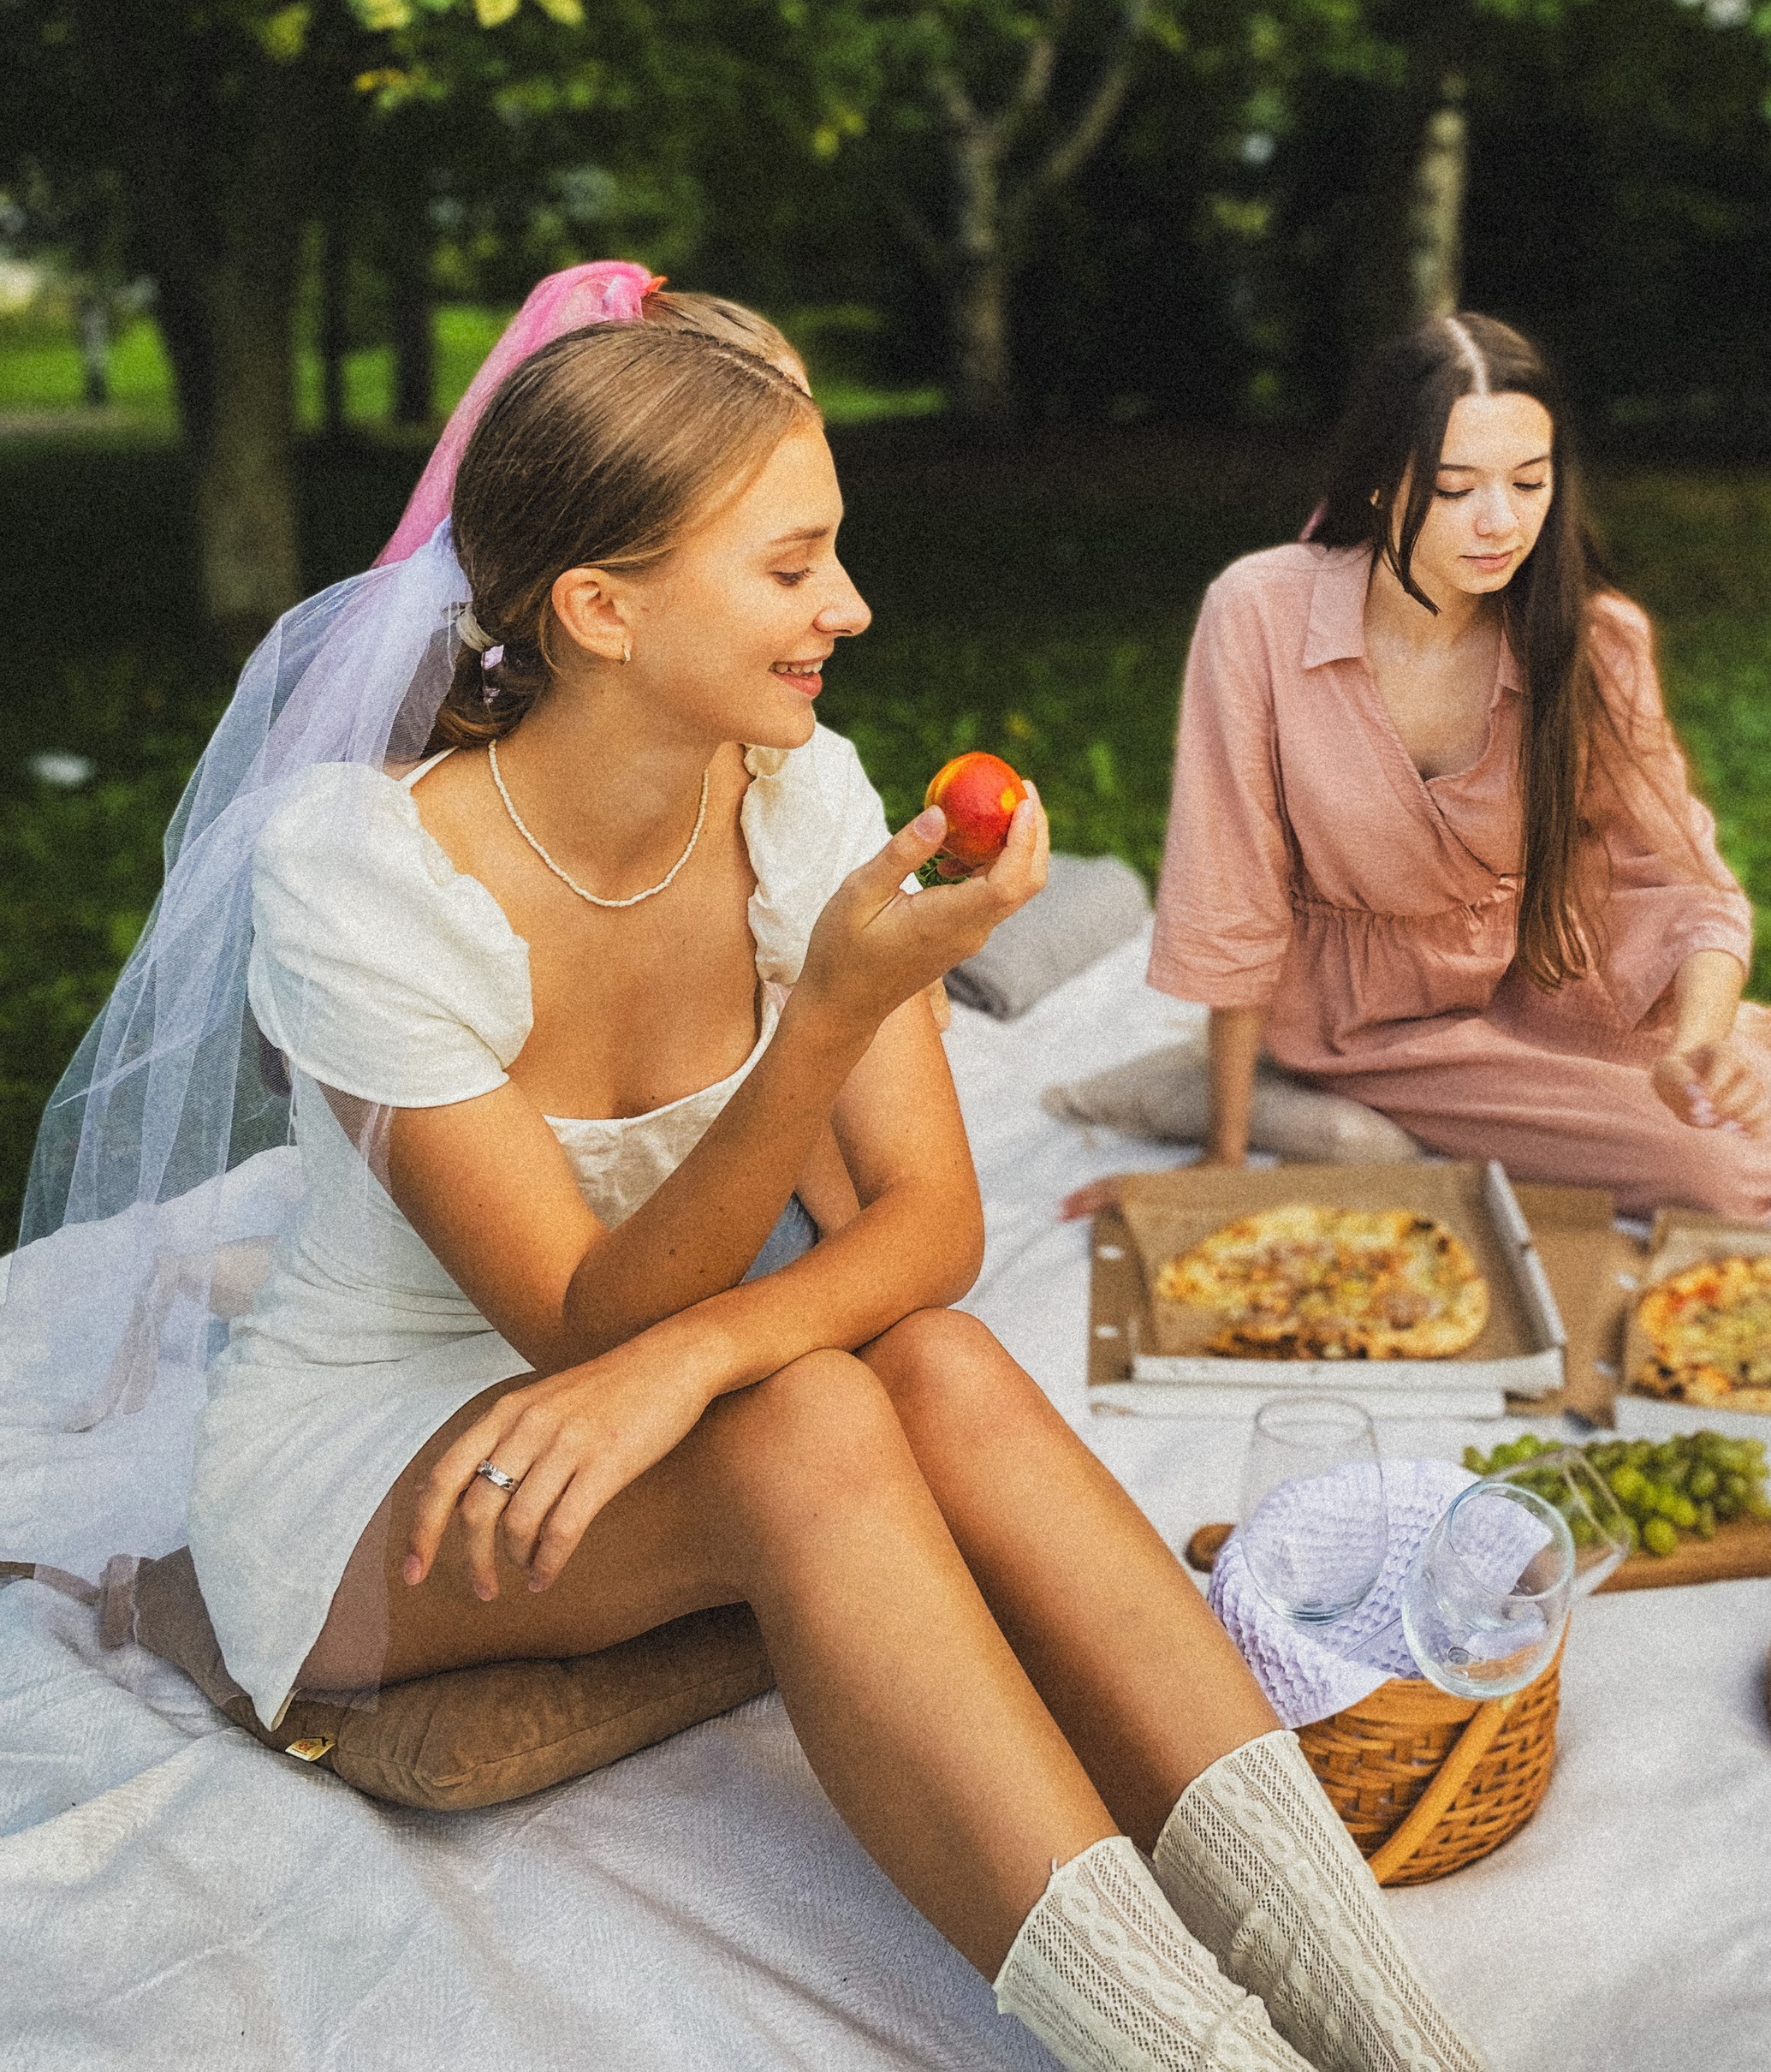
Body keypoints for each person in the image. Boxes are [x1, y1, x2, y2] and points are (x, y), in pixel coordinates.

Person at [12, 265, 1495, 2072]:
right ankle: (1197, 2053)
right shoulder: (364, 876)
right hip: (375, 1459)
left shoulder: (799, 796)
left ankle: (1395, 2028)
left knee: (927, 1365)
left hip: (650, 1376)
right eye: (790, 568)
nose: (849, 607)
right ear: (599, 606)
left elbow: (932, 1231)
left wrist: (694, 1352)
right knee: (814, 1426)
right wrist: (828, 1022)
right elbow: (567, 1317)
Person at [1073, 312, 1771, 1225]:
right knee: (1711, 1173)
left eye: (1529, 482)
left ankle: (1702, 1036)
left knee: (1765, 1136)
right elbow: (1230, 887)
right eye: (1456, 489)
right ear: (1378, 486)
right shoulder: (1257, 610)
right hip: (1374, 1024)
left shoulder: (1596, 637)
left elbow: (1673, 872)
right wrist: (1224, 1151)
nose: (1501, 523)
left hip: (1547, 970)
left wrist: (1693, 1042)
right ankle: (1298, 1091)